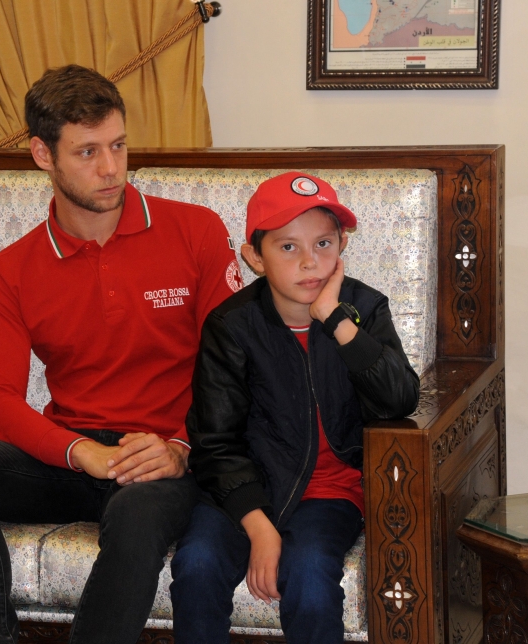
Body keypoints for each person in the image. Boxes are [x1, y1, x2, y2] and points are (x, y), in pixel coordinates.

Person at [0, 65, 242, 644]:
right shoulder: (10, 270)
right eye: (87, 152)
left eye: (117, 145)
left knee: (138, 513)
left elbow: (238, 368)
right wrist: (81, 452)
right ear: (43, 155)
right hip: (75, 455)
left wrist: (183, 449)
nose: (112, 167)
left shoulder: (195, 232)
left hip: (166, 455)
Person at [170, 172, 420, 643]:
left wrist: (338, 322)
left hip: (331, 493)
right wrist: (259, 527)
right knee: (197, 565)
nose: (311, 262)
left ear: (342, 243)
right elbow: (214, 442)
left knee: (308, 576)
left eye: (324, 243)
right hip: (245, 490)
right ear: (254, 258)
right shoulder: (231, 326)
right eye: (288, 248)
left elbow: (400, 399)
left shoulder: (364, 308)